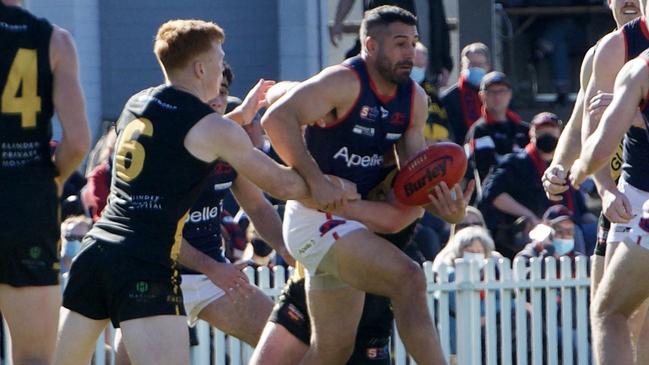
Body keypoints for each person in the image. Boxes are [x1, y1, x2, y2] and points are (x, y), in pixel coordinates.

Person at [53, 19, 318, 365]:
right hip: (149, 264)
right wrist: (329, 180)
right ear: (200, 68)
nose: (223, 67)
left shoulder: (138, 102)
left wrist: (238, 120)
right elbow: (282, 185)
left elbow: (187, 135)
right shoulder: (213, 129)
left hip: (99, 254)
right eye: (220, 60)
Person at [262, 6, 468, 364]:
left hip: (355, 224)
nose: (410, 54)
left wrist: (451, 207)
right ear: (370, 46)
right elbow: (276, 118)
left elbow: (414, 179)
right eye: (400, 44)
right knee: (409, 279)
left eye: (413, 43)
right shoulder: (343, 81)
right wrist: (315, 180)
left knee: (333, 351)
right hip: (316, 217)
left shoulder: (414, 99)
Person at [0, 1, 90, 364]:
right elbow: (79, 141)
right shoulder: (54, 41)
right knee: (34, 358)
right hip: (28, 207)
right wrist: (52, 180)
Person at [542, 0, 640, 298]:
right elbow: (578, 122)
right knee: (604, 305)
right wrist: (558, 165)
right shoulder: (601, 54)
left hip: (640, 185)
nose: (631, 2)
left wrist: (629, 111)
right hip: (619, 194)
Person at [570, 37, 649, 365]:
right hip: (633, 192)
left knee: (609, 311)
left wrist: (579, 168)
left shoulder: (640, 68)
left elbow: (601, 146)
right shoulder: (616, 52)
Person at [479, 113, 593, 258]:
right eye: (541, 130)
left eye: (551, 130)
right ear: (531, 133)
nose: (546, 134)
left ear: (561, 134)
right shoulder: (516, 163)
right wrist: (529, 216)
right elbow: (492, 194)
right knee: (571, 232)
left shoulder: (566, 166)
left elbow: (582, 210)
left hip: (568, 224)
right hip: (532, 227)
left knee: (592, 231)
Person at [464, 72, 528, 183]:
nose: (497, 96)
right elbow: (484, 173)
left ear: (510, 94)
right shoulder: (479, 131)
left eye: (502, 91)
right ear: (482, 96)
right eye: (492, 92)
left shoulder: (524, 130)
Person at [441, 42, 491, 144]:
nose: (476, 68)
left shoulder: (497, 95)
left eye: (480, 65)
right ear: (462, 66)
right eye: (471, 64)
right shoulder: (449, 99)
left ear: (487, 67)